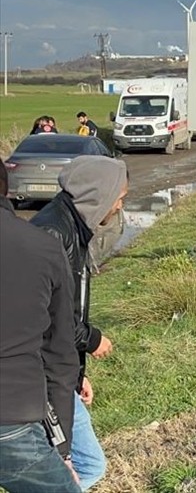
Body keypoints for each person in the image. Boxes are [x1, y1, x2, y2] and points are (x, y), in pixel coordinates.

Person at [30, 157, 127, 491]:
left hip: (59, 372)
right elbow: (47, 318)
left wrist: (76, 374)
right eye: (118, 197)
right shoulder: (52, 233)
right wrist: (92, 338)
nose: (119, 205)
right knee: (73, 468)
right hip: (42, 377)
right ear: (98, 193)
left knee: (87, 466)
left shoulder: (74, 227)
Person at [0, 166, 83, 493]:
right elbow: (59, 354)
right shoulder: (42, 247)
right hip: (11, 414)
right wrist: (62, 450)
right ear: (6, 190)